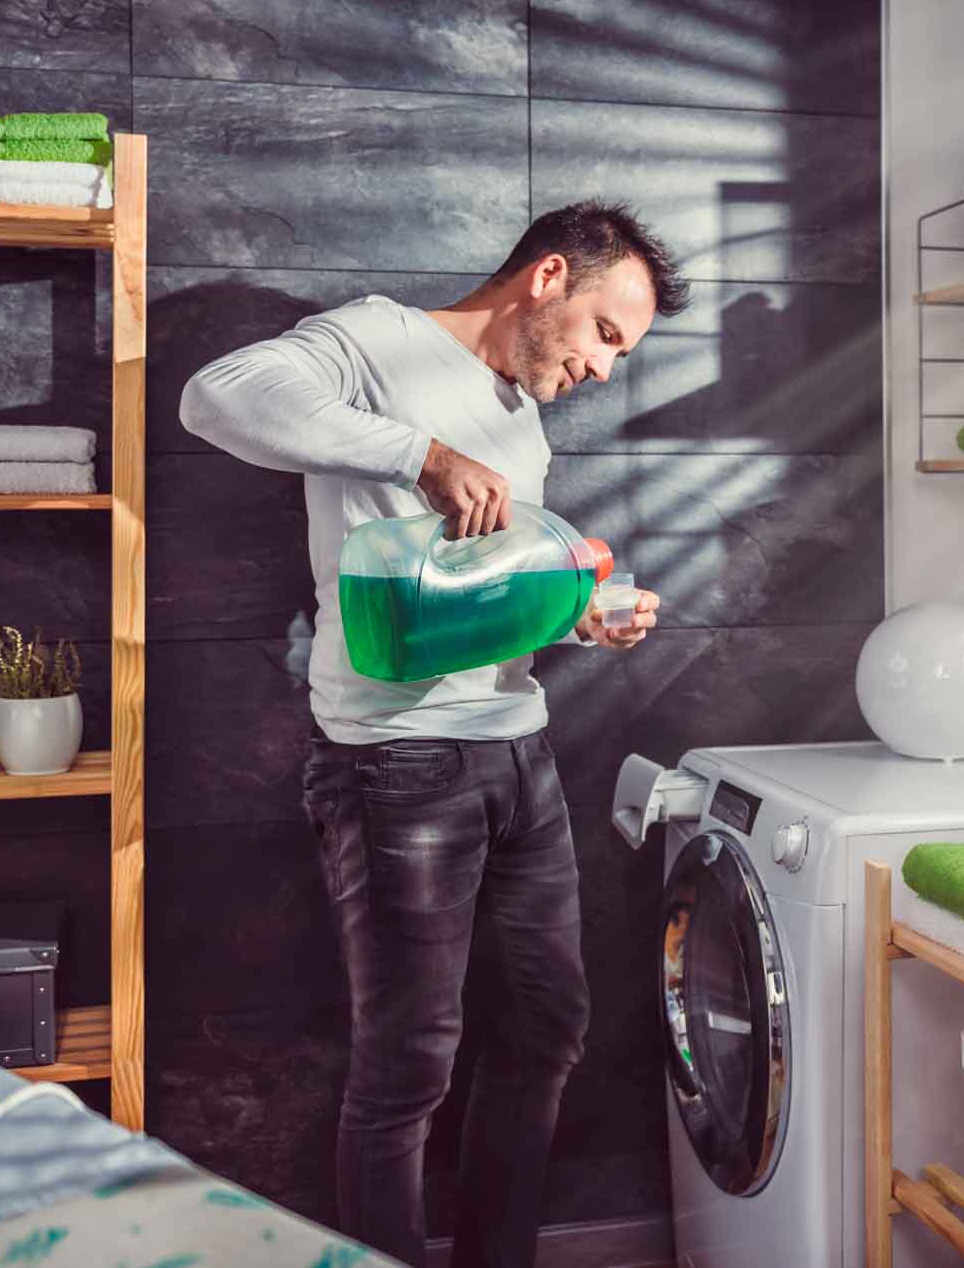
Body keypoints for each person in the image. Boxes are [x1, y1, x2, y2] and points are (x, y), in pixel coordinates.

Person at [178, 200, 690, 1268]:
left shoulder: (525, 416)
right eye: (607, 334)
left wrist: (580, 613)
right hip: (395, 766)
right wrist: (420, 453)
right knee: (409, 1065)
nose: (606, 369)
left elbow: (482, 593)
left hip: (520, 754)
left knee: (548, 1031)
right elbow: (213, 398)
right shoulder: (378, 340)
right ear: (548, 278)